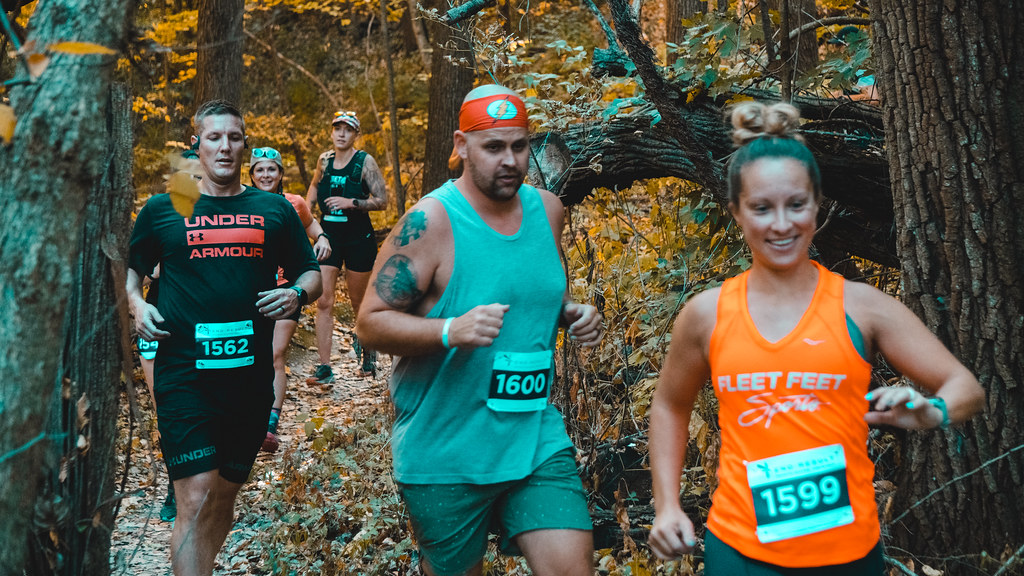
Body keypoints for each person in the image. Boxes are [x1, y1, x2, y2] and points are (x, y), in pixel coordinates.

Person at [647, 101, 985, 575]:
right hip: (741, 551)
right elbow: (669, 405)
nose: (782, 224)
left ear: (817, 205)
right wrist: (667, 504)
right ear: (737, 212)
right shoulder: (707, 314)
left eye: (796, 205)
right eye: (762, 208)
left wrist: (935, 411)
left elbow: (965, 387)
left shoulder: (861, 307)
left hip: (848, 554)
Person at [356, 84, 604, 576]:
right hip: (446, 449)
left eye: (520, 145)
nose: (510, 160)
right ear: (461, 146)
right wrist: (450, 329)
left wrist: (571, 313)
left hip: (533, 440)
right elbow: (370, 324)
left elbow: (532, 293)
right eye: (494, 147)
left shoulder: (548, 210)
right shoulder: (430, 221)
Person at [127, 99, 322, 576]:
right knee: (194, 496)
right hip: (183, 372)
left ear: (245, 147)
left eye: (234, 137)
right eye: (214, 137)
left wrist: (297, 294)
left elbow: (311, 273)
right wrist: (138, 306)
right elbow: (130, 275)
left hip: (248, 376)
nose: (225, 146)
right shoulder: (163, 208)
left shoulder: (273, 209)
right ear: (197, 145)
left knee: (222, 498)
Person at [248, 146, 332, 452]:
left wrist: (322, 239)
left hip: (286, 291)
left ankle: (269, 425)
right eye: (260, 169)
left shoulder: (294, 204)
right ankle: (247, 418)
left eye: (272, 169)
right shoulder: (242, 204)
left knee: (275, 354)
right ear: (252, 175)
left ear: (281, 173)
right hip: (252, 293)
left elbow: (313, 228)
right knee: (253, 358)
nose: (266, 174)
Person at [304, 110, 388, 381]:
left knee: (358, 302)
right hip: (328, 239)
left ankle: (368, 355)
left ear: (355, 134)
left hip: (358, 240)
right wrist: (306, 220)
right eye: (337, 128)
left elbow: (382, 200)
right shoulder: (324, 161)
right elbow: (313, 191)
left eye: (347, 130)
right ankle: (325, 367)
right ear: (331, 132)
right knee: (324, 301)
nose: (341, 134)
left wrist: (352, 203)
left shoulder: (364, 162)